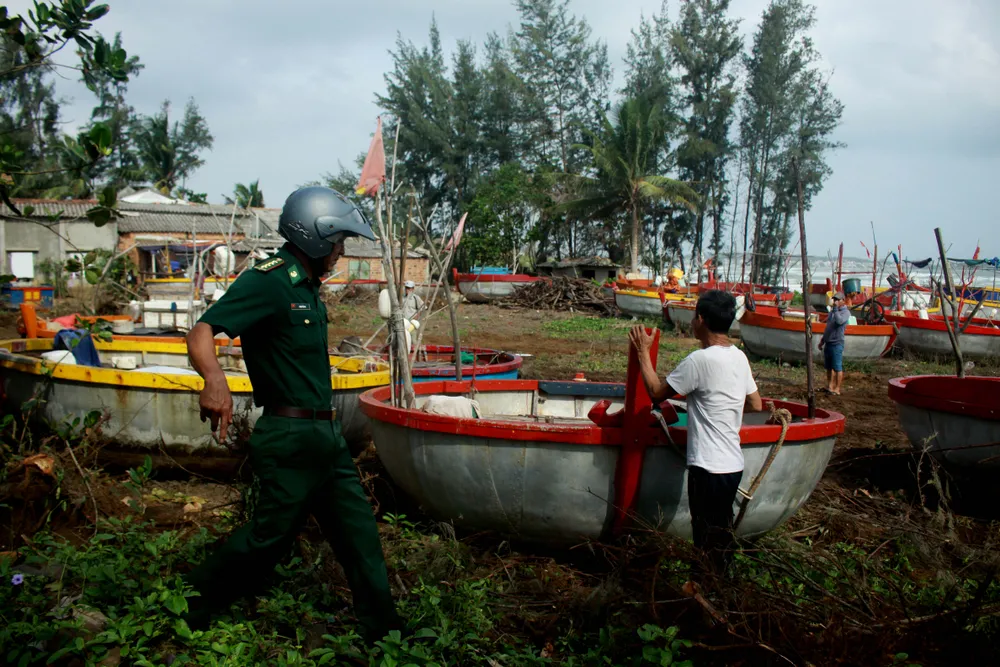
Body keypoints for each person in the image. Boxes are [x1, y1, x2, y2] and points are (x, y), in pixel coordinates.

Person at [182, 186, 401, 642]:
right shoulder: (269, 279)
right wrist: (214, 379)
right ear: (317, 237)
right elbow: (204, 329)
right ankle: (186, 604)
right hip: (289, 435)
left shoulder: (307, 286)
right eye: (338, 241)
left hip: (326, 439)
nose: (341, 251)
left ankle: (385, 635)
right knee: (268, 540)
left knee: (359, 535)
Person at [629, 290, 764, 574]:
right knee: (721, 534)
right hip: (732, 466)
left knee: (704, 539)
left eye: (694, 316)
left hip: (708, 467)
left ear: (701, 319)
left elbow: (655, 392)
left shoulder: (699, 361)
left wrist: (643, 352)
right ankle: (720, 587)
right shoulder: (739, 358)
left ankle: (707, 591)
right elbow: (755, 403)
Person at [819, 291, 850, 395]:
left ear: (843, 301)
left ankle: (837, 389)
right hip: (828, 343)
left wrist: (835, 309)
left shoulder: (845, 312)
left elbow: (839, 321)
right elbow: (828, 327)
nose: (835, 301)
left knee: (837, 367)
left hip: (837, 343)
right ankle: (830, 386)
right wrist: (822, 340)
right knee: (829, 367)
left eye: (837, 300)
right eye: (834, 299)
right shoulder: (833, 311)